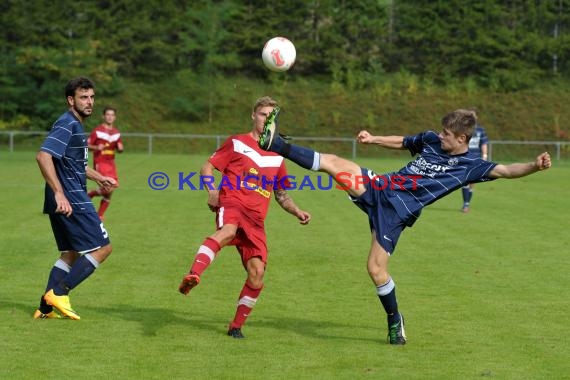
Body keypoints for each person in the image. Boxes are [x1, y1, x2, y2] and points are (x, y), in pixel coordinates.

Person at [257, 107, 551, 345]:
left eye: (447, 134)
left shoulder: (472, 164)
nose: (440, 136)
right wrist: (373, 139)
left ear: (462, 138)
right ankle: (276, 144)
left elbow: (508, 170)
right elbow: (403, 141)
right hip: (380, 187)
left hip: (396, 213)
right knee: (334, 163)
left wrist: (534, 166)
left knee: (375, 269)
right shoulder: (432, 140)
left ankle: (395, 319)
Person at [178, 96, 311, 339]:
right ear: (253, 116)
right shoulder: (237, 143)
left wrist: (297, 211)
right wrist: (212, 190)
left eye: (272, 117)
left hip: (256, 220)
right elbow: (207, 167)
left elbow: (281, 194)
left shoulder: (279, 155)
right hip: (232, 203)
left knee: (257, 274)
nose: (266, 120)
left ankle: (236, 326)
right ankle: (194, 274)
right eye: (263, 115)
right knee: (228, 230)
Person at [34, 77, 117, 320]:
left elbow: (74, 164)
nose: (89, 102)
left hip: (64, 197)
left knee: (70, 253)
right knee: (103, 248)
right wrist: (60, 193)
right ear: (71, 100)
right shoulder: (67, 124)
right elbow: (43, 156)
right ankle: (59, 293)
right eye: (83, 97)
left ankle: (45, 308)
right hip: (71, 198)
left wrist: (99, 177)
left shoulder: (76, 125)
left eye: (91, 97)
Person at [88, 106, 124, 220]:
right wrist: (96, 147)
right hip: (100, 162)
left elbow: (119, 147)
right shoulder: (97, 131)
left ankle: (99, 214)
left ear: (115, 117)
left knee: (110, 192)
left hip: (111, 163)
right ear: (103, 116)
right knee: (110, 186)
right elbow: (86, 145)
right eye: (107, 114)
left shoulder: (116, 133)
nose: (110, 117)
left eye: (112, 115)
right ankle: (91, 196)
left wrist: (120, 148)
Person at [461, 107, 489, 213]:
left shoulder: (481, 130)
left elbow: (484, 143)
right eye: (469, 115)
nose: (471, 117)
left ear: (476, 117)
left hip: (476, 158)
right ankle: (466, 204)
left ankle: (466, 203)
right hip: (464, 157)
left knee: (472, 181)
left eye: (473, 115)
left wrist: (485, 156)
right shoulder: (462, 129)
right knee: (465, 181)